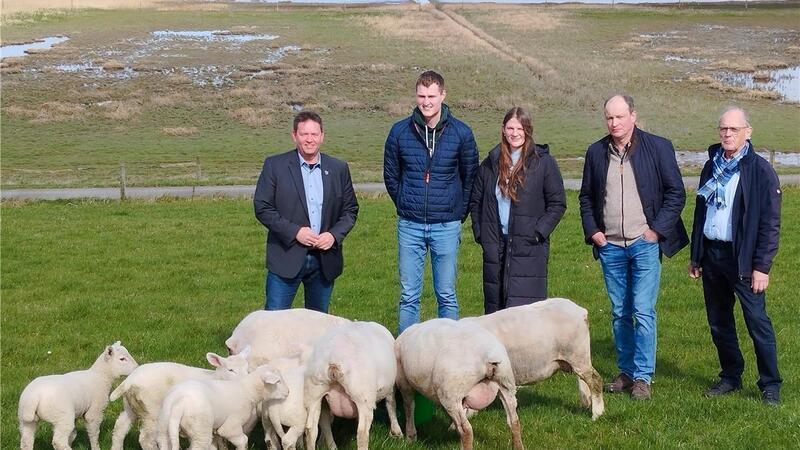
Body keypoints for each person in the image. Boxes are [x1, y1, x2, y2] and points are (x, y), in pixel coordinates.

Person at [578, 94, 688, 400]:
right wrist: (594, 232)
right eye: (609, 118)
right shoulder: (596, 152)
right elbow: (586, 197)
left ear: (633, 116)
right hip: (610, 246)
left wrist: (656, 231)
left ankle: (643, 377)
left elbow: (676, 193)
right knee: (619, 312)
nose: (614, 123)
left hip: (644, 244)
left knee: (642, 310)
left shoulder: (658, 147)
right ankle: (625, 372)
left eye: (619, 117)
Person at [688, 107, 782, 405]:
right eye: (723, 129)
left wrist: (762, 267)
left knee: (757, 322)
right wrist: (696, 255)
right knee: (719, 321)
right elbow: (700, 213)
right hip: (713, 255)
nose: (727, 134)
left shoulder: (760, 171)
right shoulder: (710, 166)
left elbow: (770, 223)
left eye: (734, 129)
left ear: (747, 132)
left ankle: (770, 384)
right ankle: (731, 376)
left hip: (744, 259)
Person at [383, 70, 479, 334]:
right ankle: (405, 358)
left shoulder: (461, 133)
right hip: (410, 225)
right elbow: (391, 175)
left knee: (446, 294)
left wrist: (458, 211)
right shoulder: (400, 132)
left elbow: (470, 177)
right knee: (409, 296)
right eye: (422, 96)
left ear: (443, 96)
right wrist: (404, 202)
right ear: (416, 96)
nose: (426, 102)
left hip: (446, 225)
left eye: (432, 96)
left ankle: (449, 354)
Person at [254, 110, 359, 313]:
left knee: (318, 328)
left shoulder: (338, 168)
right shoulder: (275, 166)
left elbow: (350, 210)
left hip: (324, 260)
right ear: (295, 136)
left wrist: (333, 236)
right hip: (286, 257)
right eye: (304, 134)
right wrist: (295, 232)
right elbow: (263, 207)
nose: (309, 140)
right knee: (273, 323)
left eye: (314, 134)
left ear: (322, 136)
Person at [469, 106, 567, 314]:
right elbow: (476, 201)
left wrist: (539, 232)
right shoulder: (490, 163)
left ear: (528, 131)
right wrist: (481, 234)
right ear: (503, 130)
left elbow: (557, 203)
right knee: (497, 311)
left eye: (520, 129)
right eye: (510, 128)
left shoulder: (543, 163)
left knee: (525, 315)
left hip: (529, 247)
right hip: (496, 245)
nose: (514, 133)